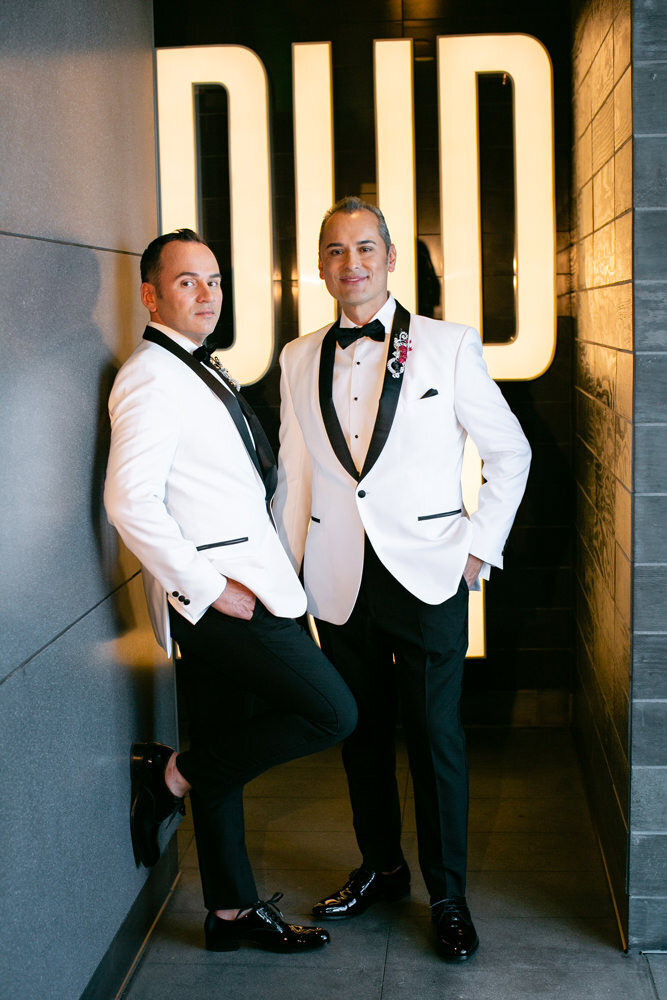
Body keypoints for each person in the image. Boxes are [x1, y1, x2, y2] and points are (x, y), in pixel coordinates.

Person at [274, 196, 531, 961]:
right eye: (333, 251)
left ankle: (446, 893)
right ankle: (380, 868)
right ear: (316, 266)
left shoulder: (446, 346)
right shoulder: (296, 355)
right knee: (358, 736)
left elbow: (509, 453)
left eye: (363, 249)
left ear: (390, 258)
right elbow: (294, 478)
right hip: (336, 578)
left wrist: (477, 549)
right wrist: (288, 582)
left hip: (427, 575)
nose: (349, 264)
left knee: (435, 740)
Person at [104, 228, 357, 954]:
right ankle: (171, 776)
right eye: (187, 282)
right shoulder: (149, 377)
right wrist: (210, 588)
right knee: (332, 711)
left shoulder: (197, 370)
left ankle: (230, 914)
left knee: (224, 741)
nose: (206, 294)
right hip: (223, 601)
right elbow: (129, 503)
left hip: (245, 587)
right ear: (150, 295)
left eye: (213, 280)